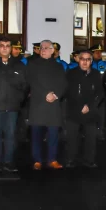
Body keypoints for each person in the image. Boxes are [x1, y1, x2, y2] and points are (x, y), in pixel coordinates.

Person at [0, 37, 28, 173]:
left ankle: (8, 162)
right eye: (2, 45)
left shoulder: (19, 65)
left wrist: (18, 99)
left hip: (12, 107)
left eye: (7, 46)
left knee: (10, 135)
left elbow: (25, 86)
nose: (4, 48)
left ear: (11, 48)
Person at [26, 40, 67, 170]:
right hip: (38, 104)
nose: (43, 50)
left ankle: (52, 159)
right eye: (41, 48)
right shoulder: (32, 64)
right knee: (36, 135)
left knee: (53, 134)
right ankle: (37, 160)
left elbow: (63, 84)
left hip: (53, 105)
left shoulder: (58, 66)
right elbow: (32, 81)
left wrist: (55, 95)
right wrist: (46, 93)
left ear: (52, 50)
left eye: (46, 48)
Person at [65, 49, 104, 168]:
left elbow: (100, 93)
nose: (85, 62)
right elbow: (67, 93)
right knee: (72, 138)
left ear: (91, 61)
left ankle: (89, 160)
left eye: (88, 59)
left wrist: (90, 106)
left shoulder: (96, 74)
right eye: (82, 59)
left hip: (90, 111)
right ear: (78, 60)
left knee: (91, 138)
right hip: (74, 110)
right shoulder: (70, 74)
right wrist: (79, 107)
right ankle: (70, 159)